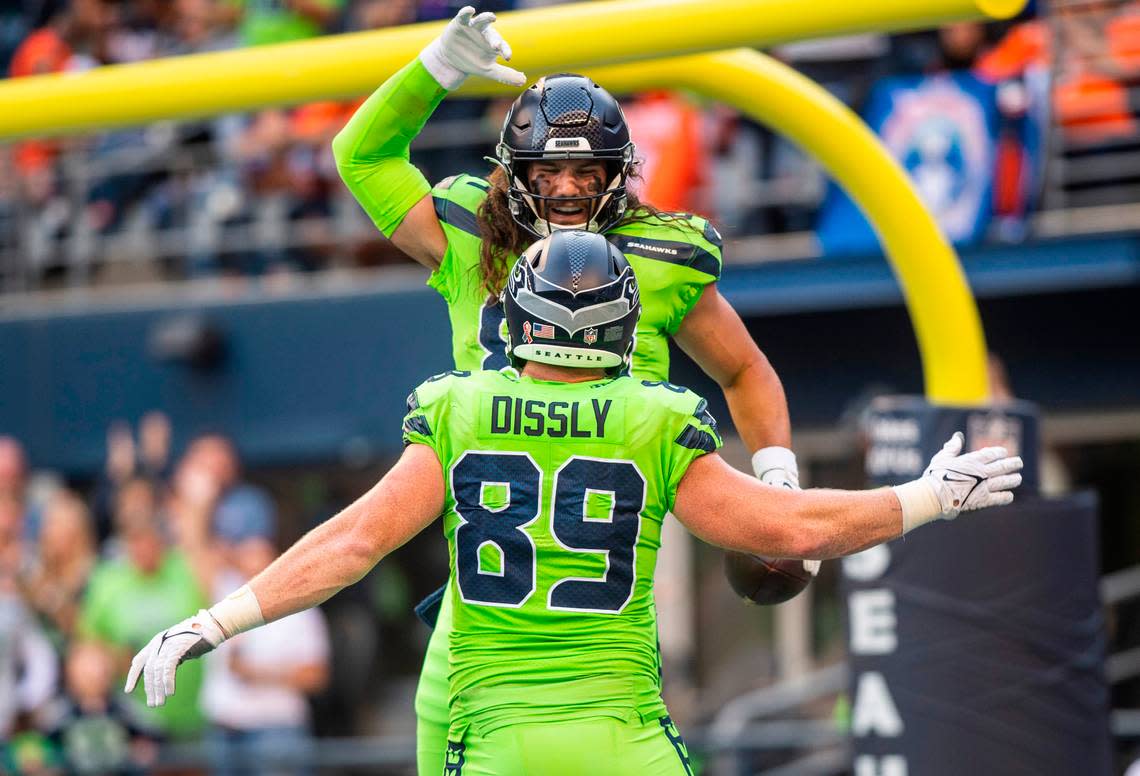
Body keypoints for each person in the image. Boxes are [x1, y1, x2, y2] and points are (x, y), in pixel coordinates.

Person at [126, 231, 1023, 775]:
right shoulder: (654, 415)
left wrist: (210, 622)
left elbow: (354, 543)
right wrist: (926, 497)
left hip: (493, 733)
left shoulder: (460, 407)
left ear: (520, 316)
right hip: (620, 731)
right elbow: (786, 527)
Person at [331, 9, 802, 771]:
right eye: (546, 173)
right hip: (486, 593)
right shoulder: (466, 231)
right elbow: (360, 155)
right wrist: (435, 70)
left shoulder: (661, 256)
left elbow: (744, 368)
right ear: (511, 175)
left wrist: (777, 476)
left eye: (586, 173)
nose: (567, 191)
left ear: (618, 174)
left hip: (605, 585)